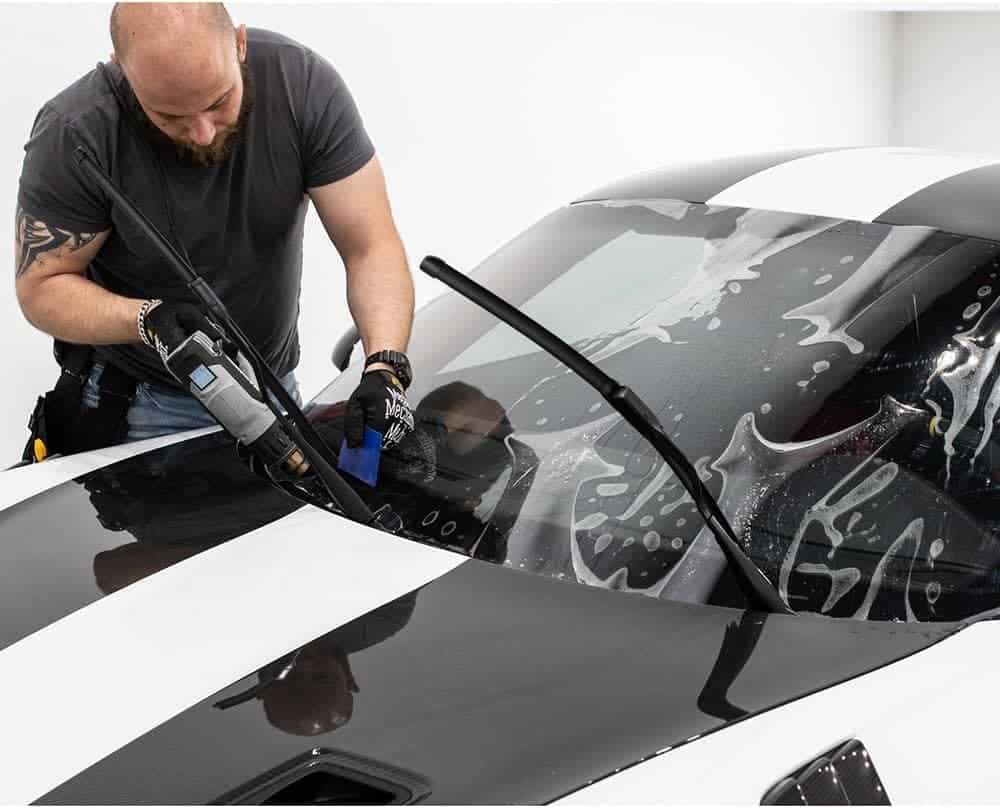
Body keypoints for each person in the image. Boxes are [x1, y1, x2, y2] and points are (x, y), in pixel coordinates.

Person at [15, 2, 415, 454]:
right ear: (121, 71)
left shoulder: (301, 85)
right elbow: (42, 287)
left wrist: (384, 367)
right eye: (170, 116)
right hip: (142, 407)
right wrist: (146, 319)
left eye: (219, 101)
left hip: (275, 390)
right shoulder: (76, 132)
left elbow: (370, 246)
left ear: (239, 43)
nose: (203, 132)